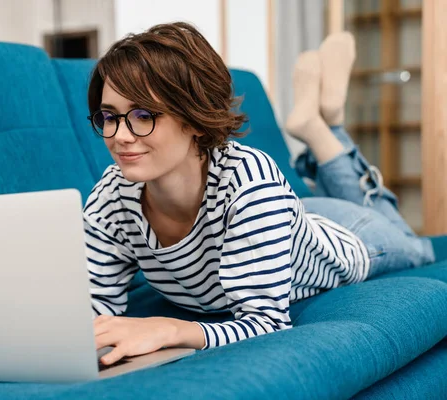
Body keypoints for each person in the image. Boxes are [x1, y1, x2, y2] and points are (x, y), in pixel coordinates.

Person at [84, 22, 435, 366]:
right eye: (109, 116)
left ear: (191, 118)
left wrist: (174, 330)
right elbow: (93, 308)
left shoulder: (248, 180)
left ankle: (326, 127)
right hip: (274, 218)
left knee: (416, 246)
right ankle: (322, 124)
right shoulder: (113, 194)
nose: (120, 136)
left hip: (349, 237)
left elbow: (267, 323)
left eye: (143, 115)